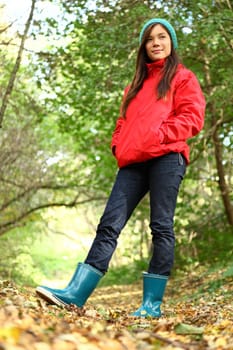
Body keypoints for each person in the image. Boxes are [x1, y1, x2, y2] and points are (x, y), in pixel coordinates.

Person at [36, 18, 206, 317]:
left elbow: (193, 117)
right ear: (143, 47)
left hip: (167, 157)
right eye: (150, 39)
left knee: (161, 227)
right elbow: (122, 123)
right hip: (133, 162)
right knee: (109, 225)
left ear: (171, 42)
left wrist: (159, 135)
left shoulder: (182, 77)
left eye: (162, 37)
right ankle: (76, 294)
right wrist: (119, 145)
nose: (156, 42)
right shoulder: (134, 86)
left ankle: (151, 305)